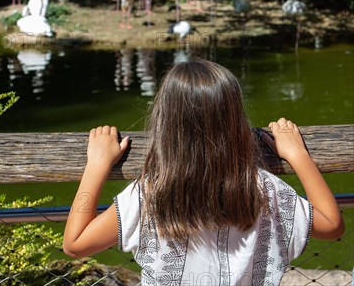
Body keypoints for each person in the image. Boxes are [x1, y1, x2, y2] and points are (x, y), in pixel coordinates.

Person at [63, 58, 344, 285]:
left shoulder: (149, 195)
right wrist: (298, 155)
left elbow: (75, 244)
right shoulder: (263, 189)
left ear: (165, 124)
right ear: (236, 120)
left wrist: (97, 165)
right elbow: (332, 225)